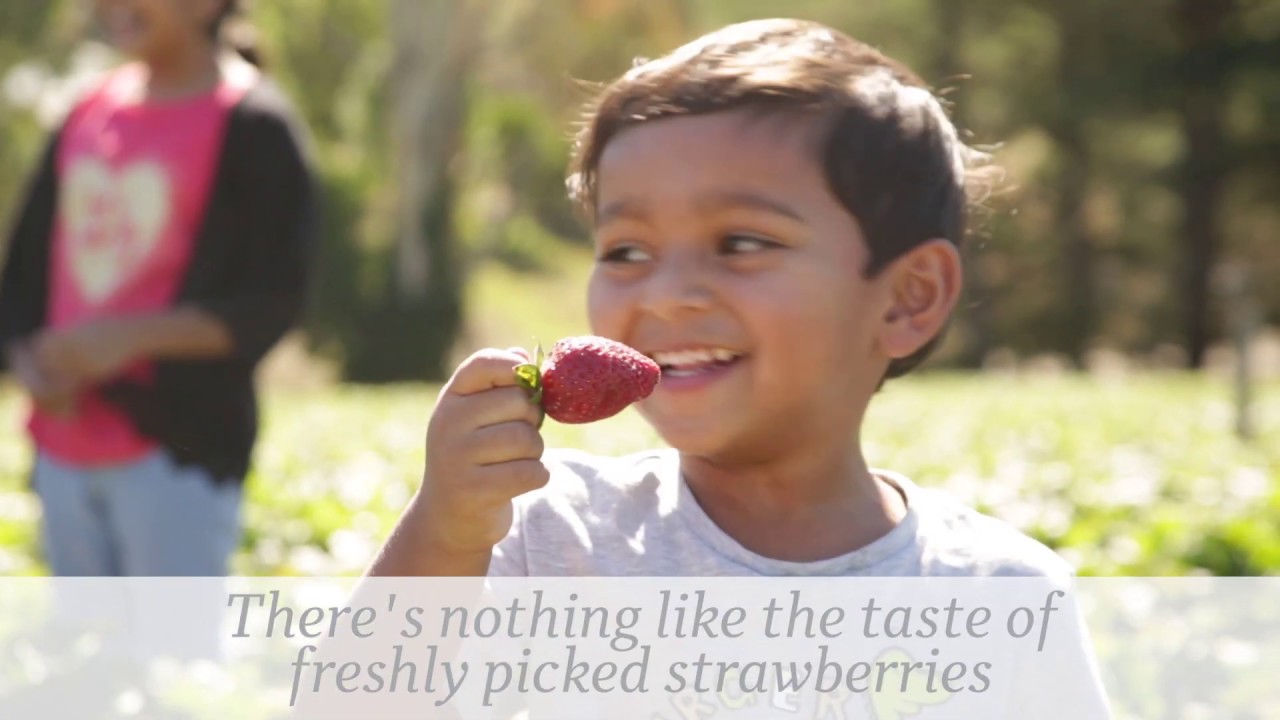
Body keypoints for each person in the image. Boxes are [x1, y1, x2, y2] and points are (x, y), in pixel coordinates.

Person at [358, 18, 1111, 719]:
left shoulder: (1001, 595)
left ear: (908, 297)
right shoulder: (546, 537)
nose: (667, 294)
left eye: (742, 243)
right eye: (626, 250)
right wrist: (446, 532)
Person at [0, 0, 316, 578]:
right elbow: (22, 274)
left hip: (178, 457)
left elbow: (272, 300)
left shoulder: (256, 125)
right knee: (82, 635)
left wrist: (126, 340)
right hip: (62, 451)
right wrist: (30, 362)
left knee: (172, 639)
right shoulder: (85, 110)